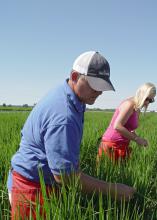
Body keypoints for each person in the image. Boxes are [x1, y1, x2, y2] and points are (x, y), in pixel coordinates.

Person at [7, 51, 135, 219]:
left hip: (43, 180)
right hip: (31, 188)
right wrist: (114, 190)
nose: (99, 92)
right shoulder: (63, 115)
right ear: (74, 76)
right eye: (94, 85)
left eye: (102, 87)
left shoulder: (73, 96)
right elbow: (64, 177)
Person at [97, 82, 156, 162]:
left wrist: (140, 139)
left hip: (122, 144)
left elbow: (128, 129)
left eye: (151, 100)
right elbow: (117, 126)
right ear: (141, 94)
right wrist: (136, 139)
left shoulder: (136, 108)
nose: (147, 102)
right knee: (109, 173)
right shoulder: (129, 104)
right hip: (112, 144)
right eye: (147, 99)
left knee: (120, 173)